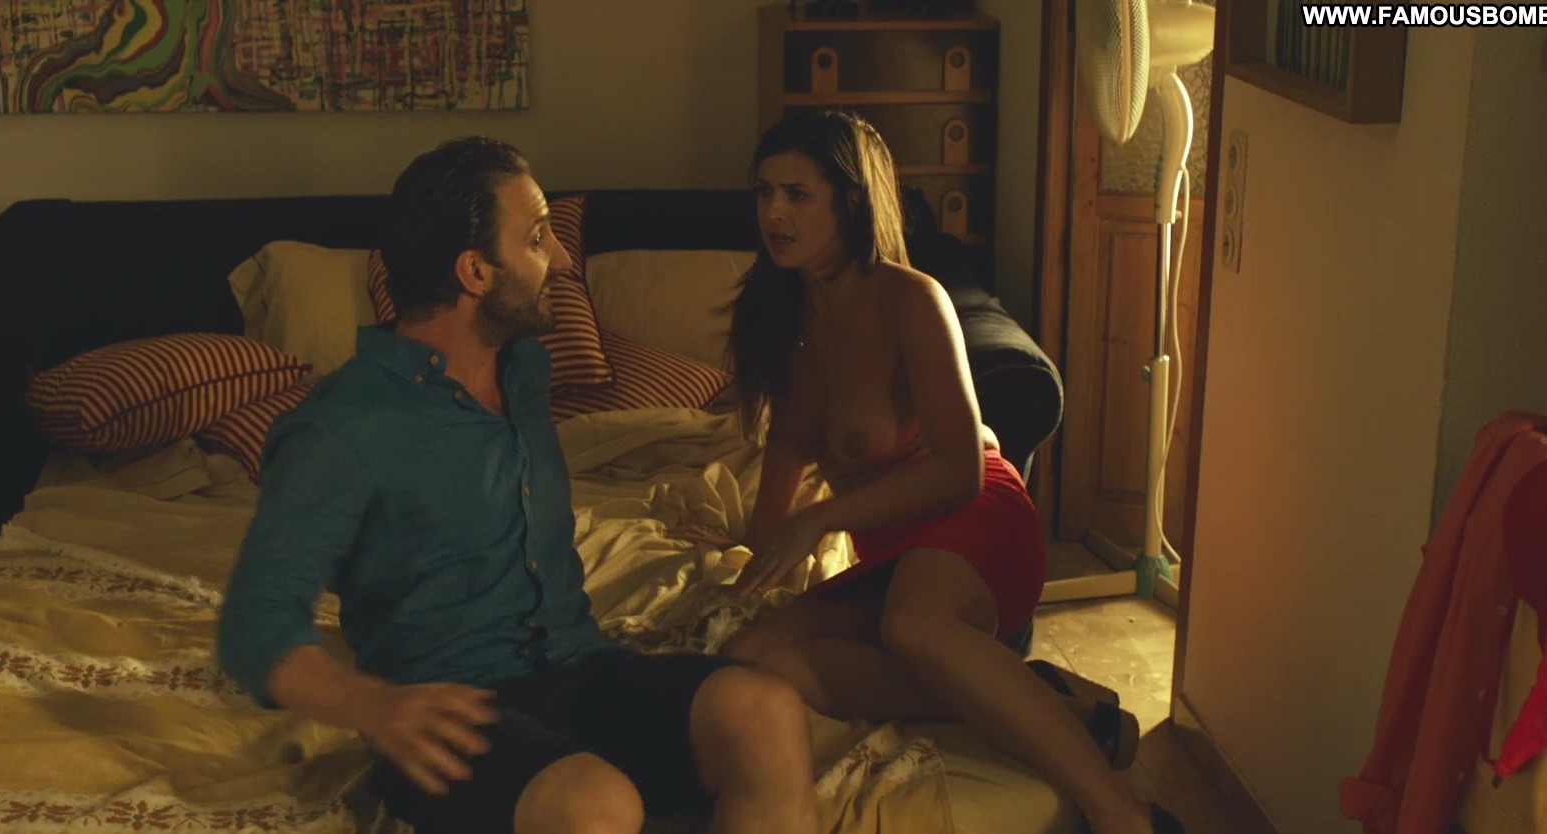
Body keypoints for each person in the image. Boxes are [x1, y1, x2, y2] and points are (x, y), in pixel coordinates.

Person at [216, 137, 819, 834]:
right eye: (537, 238)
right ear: (475, 271)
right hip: (449, 713)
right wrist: (376, 708)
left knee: (764, 711)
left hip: (580, 667)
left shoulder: (525, 370)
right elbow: (255, 624)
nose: (561, 260)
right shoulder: (341, 428)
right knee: (596, 803)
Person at [719, 109, 1179, 834]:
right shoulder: (787, 322)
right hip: (891, 558)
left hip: (972, 519)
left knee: (914, 625)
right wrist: (741, 564)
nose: (774, 212)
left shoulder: (910, 298)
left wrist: (820, 518)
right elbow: (775, 504)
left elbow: (961, 471)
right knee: (755, 653)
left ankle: (1123, 811)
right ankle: (1051, 703)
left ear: (850, 201)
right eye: (764, 192)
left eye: (797, 194)